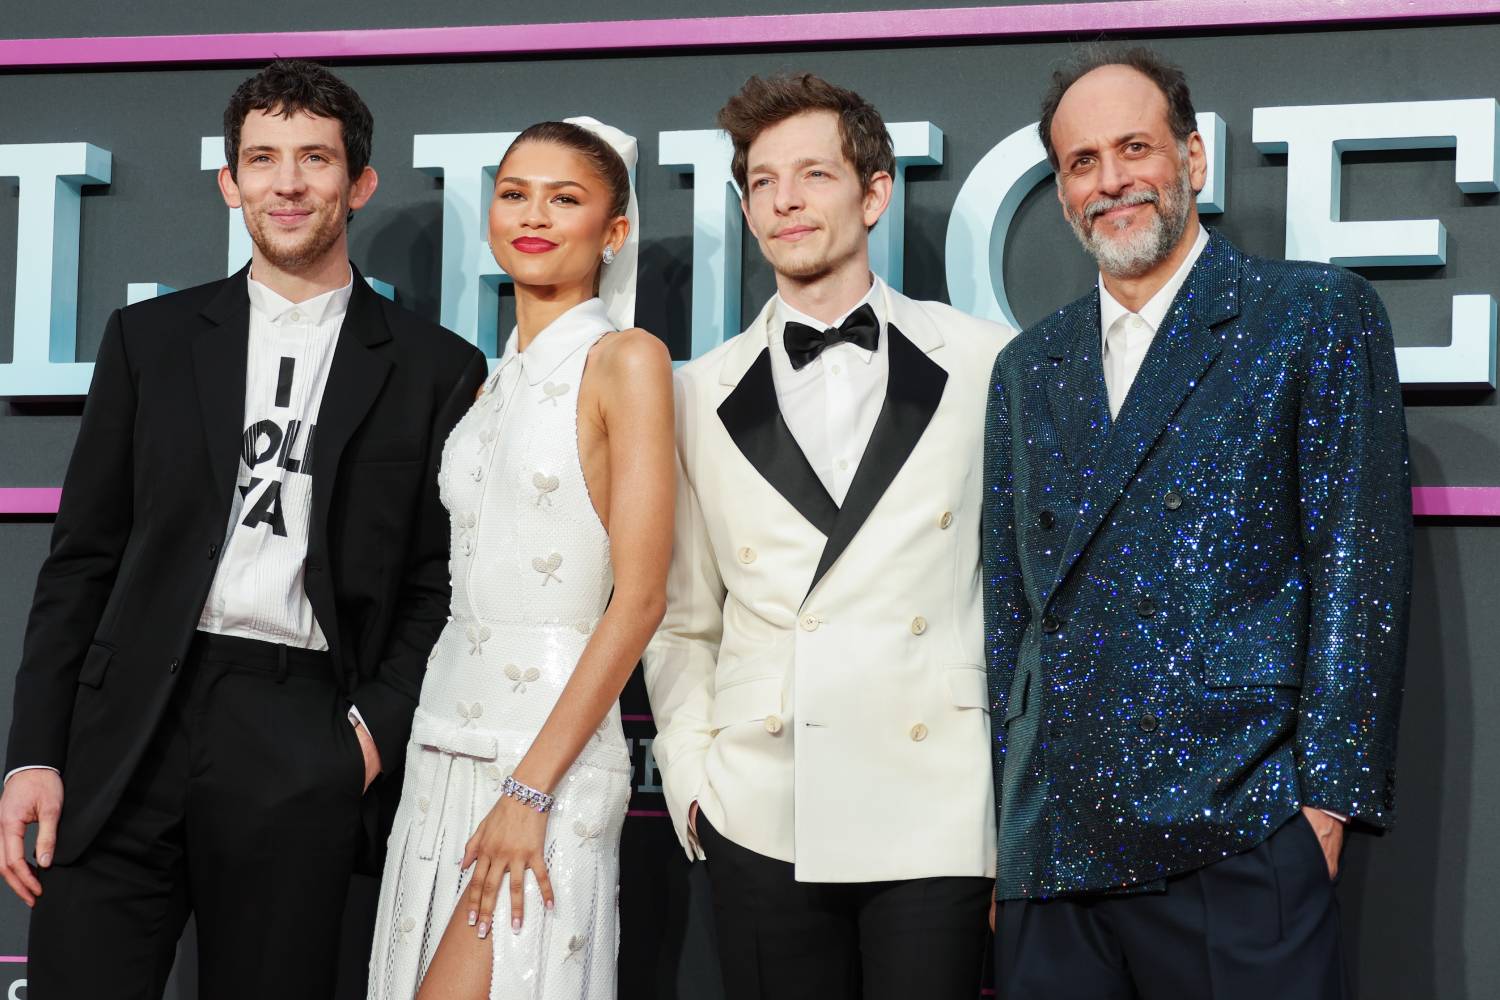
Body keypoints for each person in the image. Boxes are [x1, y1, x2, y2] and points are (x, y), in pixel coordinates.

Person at [0, 59, 487, 998]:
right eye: (262, 160)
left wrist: (366, 736)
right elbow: (82, 560)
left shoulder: (434, 367)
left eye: (315, 158)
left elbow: (442, 582)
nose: (288, 183)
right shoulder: (151, 339)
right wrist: (35, 749)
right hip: (129, 728)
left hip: (300, 725)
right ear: (230, 183)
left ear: (360, 183)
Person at [982, 45, 1412, 999]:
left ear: (1192, 160)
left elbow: (1358, 567)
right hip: (1055, 851)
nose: (1111, 180)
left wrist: (1325, 807)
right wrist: (1009, 835)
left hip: (1240, 829)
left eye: (1134, 147)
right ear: (1060, 193)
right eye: (1081, 162)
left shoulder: (1310, 315)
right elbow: (1010, 618)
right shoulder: (1028, 367)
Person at [643, 73, 1014, 1000]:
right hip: (764, 806)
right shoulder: (699, 393)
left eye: (813, 174)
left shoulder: (982, 364)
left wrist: (1015, 799)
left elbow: (1027, 600)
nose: (786, 201)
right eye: (763, 182)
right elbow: (681, 618)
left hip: (937, 802)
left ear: (875, 193)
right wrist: (695, 780)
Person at [366, 118, 673, 1000]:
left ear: (614, 232)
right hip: (439, 745)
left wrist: (531, 791)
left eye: (565, 198)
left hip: (550, 758)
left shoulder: (627, 360)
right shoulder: (488, 380)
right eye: (514, 193)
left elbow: (642, 598)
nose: (534, 215)